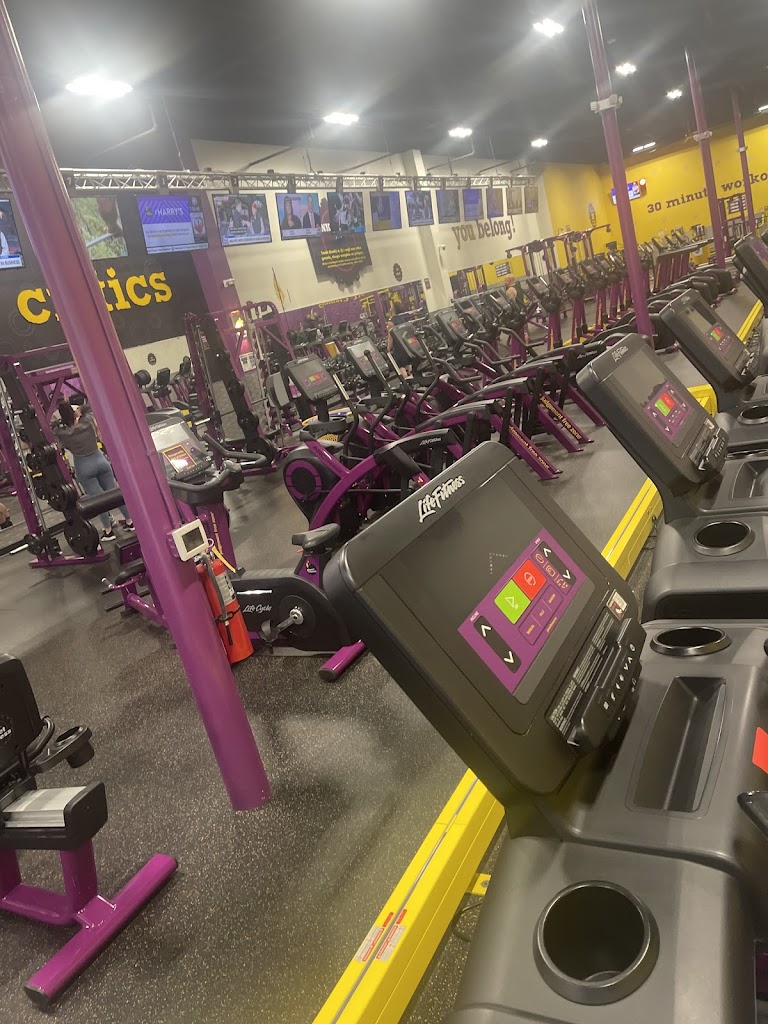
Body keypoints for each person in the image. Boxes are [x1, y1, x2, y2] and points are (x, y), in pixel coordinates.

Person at [53, 398, 133, 542]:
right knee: (113, 492)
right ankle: (130, 521)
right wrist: (79, 411)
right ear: (74, 412)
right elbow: (90, 407)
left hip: (84, 467)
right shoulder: (87, 422)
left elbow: (50, 430)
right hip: (101, 461)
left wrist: (58, 421)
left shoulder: (63, 433)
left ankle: (108, 531)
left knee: (98, 500)